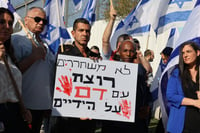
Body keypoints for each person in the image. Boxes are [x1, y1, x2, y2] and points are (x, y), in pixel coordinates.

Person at [11, 7, 55, 133]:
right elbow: (11, 73)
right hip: (24, 106)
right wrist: (33, 57)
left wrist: (49, 102)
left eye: (44, 21)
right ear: (26, 20)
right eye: (37, 19)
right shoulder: (17, 40)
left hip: (41, 106)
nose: (41, 23)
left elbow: (49, 75)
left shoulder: (45, 44)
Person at [54, 18, 98, 133]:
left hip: (89, 115)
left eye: (87, 31)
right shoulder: (64, 53)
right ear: (73, 33)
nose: (85, 34)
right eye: (81, 30)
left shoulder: (95, 57)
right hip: (68, 117)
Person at [102, 40, 150, 133]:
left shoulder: (139, 71)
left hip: (134, 122)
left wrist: (146, 107)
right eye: (125, 51)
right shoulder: (110, 69)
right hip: (113, 122)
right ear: (119, 52)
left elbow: (145, 92)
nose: (128, 54)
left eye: (131, 51)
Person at [0, 7, 31, 133]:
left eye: (10, 23)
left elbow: (14, 87)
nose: (7, 26)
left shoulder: (10, 55)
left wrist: (23, 108)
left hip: (14, 113)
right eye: (1, 22)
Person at [166, 41, 200, 133]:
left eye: (188, 51)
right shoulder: (177, 73)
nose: (185, 55)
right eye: (183, 53)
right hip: (182, 124)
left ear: (197, 53)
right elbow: (170, 95)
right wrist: (194, 102)